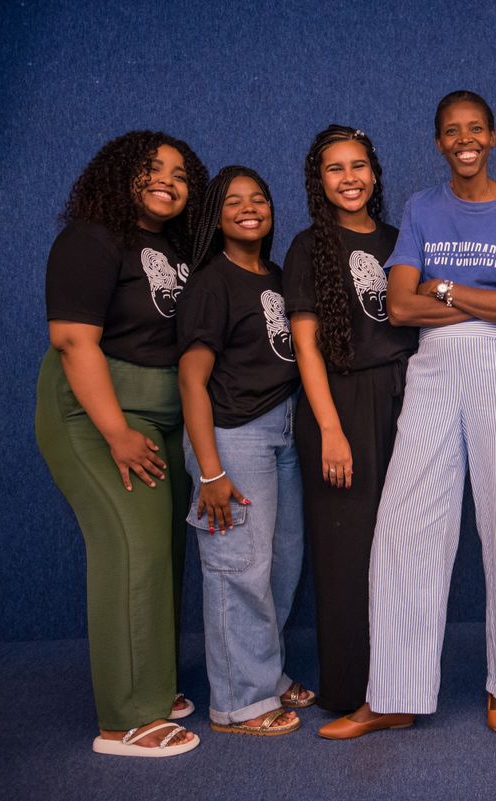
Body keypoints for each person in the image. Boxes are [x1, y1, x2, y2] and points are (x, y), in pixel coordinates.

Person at [318, 90, 496, 739]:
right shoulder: (421, 207)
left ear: (493, 137)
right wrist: (492, 297)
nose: (465, 138)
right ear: (439, 142)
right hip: (434, 368)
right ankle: (394, 691)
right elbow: (400, 307)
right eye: (452, 131)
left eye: (476, 128)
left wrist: (443, 287)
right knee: (401, 528)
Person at [35, 130, 207, 757]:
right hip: (96, 414)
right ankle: (126, 719)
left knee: (163, 551)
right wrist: (115, 431)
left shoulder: (176, 249)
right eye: (152, 168)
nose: (168, 179)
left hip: (162, 417)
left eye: (181, 174)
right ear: (120, 175)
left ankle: (153, 685)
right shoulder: (91, 237)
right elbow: (74, 341)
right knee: (131, 547)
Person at [284, 125, 417, 712]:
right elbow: (306, 346)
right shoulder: (307, 247)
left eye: (358, 165)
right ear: (320, 181)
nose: (349, 178)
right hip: (340, 405)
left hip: (407, 399)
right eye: (335, 168)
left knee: (405, 548)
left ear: (375, 173)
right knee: (345, 554)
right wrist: (332, 429)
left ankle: (401, 684)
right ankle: (350, 691)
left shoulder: (401, 238)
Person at [176, 166, 311, 737]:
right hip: (232, 435)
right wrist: (211, 471)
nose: (249, 208)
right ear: (217, 215)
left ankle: (266, 670)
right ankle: (239, 702)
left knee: (281, 563)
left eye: (260, 198)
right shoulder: (213, 281)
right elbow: (190, 378)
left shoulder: (276, 278)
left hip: (281, 430)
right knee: (237, 568)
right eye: (234, 202)